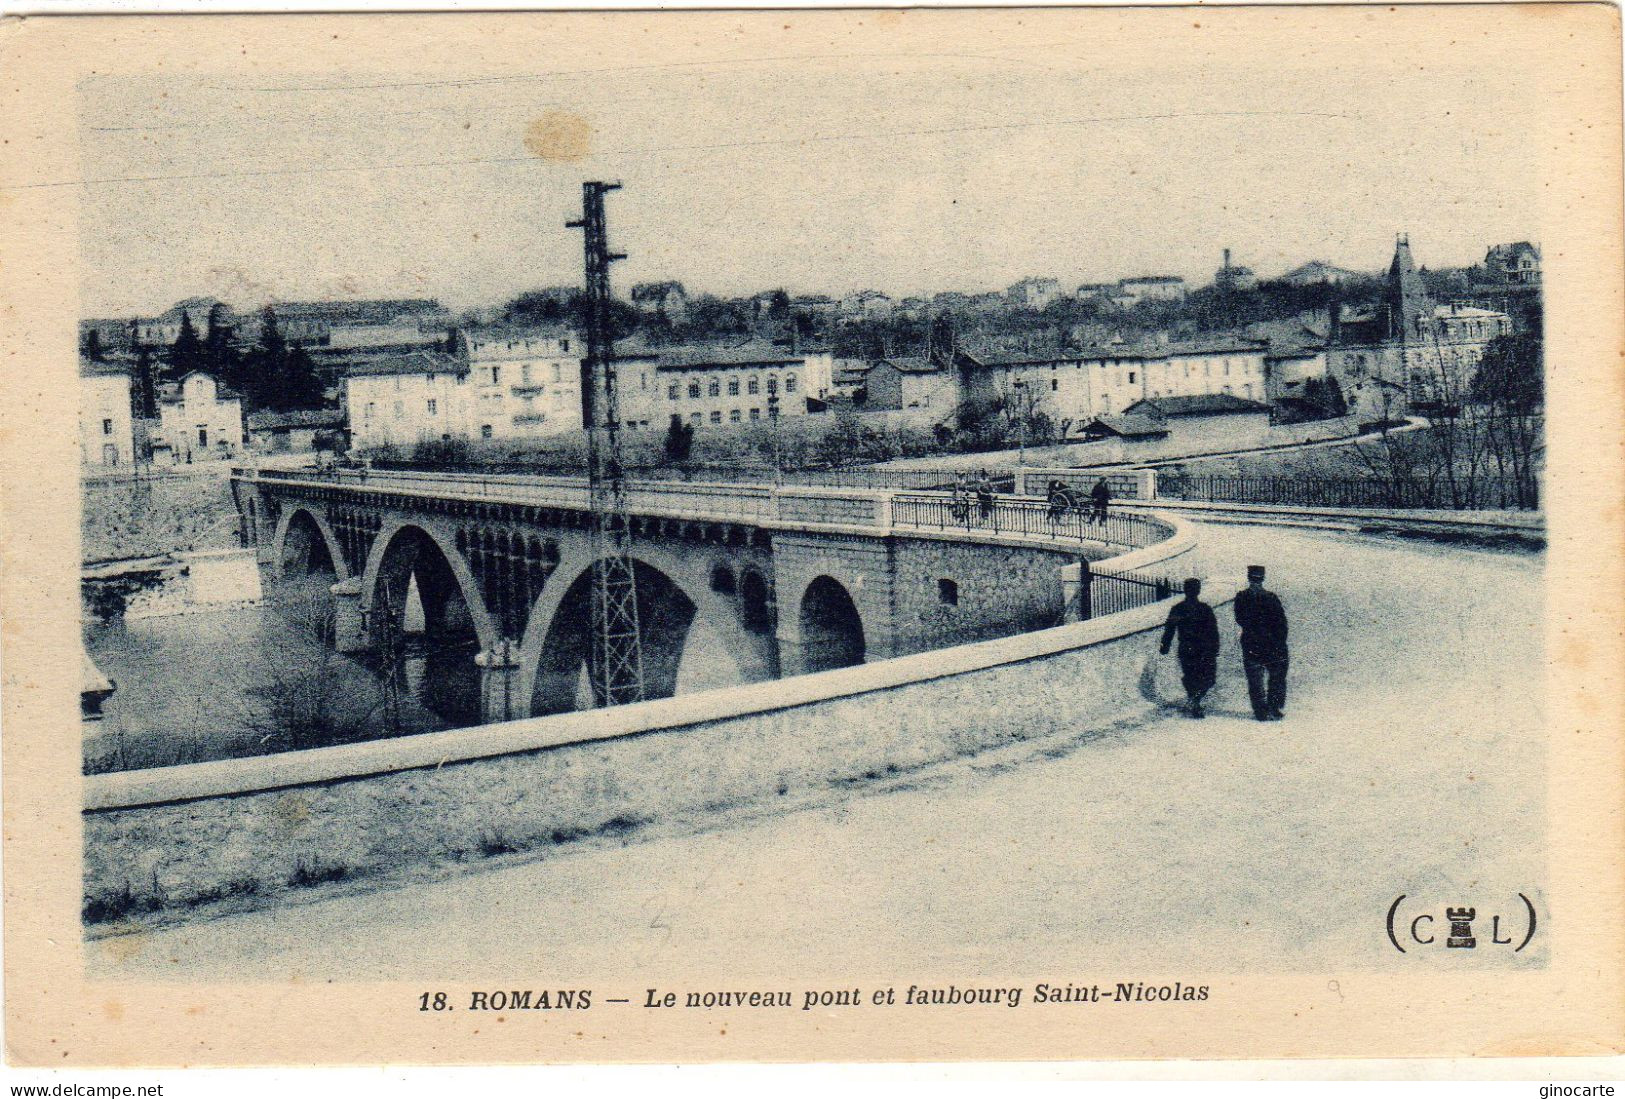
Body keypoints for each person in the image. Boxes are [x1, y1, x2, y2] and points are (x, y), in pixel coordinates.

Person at [1234, 564, 1290, 722]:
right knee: (1277, 674)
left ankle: (1260, 711)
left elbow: (1240, 619)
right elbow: (1281, 622)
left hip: (1251, 642)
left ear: (1249, 578)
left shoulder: (1241, 597)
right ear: (1262, 579)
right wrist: (1280, 641)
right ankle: (1274, 707)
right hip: (1271, 643)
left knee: (1255, 678)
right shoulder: (1271, 597)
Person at [1159, 578, 1220, 718]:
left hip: (1193, 649)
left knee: (1198, 677)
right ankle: (1196, 702)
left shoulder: (1187, 609)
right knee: (1203, 677)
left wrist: (1165, 645)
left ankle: (1195, 699)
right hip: (1195, 649)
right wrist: (1164, 646)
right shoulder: (1196, 609)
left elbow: (1169, 630)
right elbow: (1213, 631)